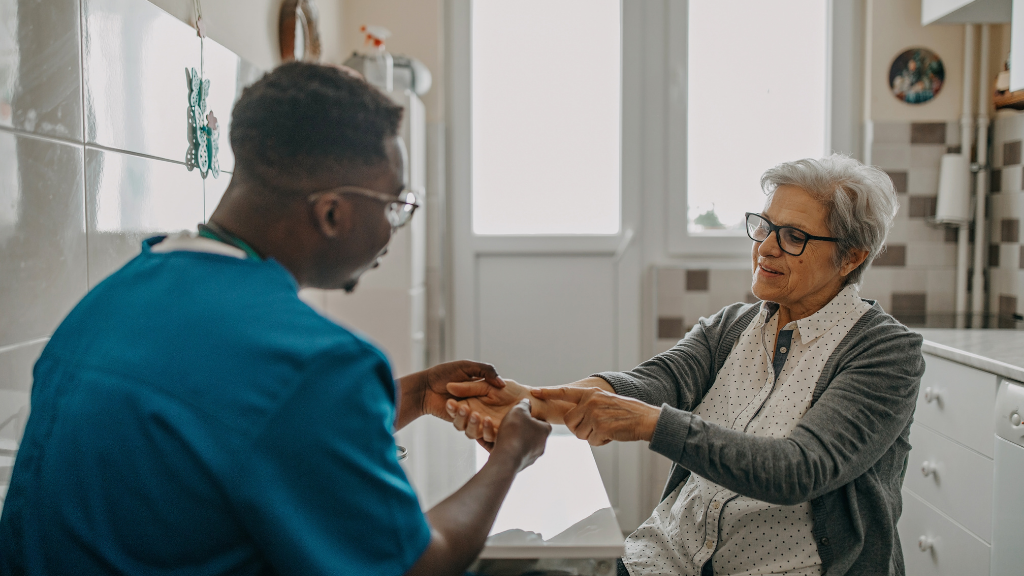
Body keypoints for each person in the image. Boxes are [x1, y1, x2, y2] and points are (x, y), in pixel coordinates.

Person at [0, 62, 550, 576]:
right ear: (333, 213)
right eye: (393, 206)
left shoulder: (116, 297)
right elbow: (417, 564)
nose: (392, 229)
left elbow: (245, 425)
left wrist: (423, 393)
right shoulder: (320, 362)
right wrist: (511, 454)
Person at [448, 155, 924, 576]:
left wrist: (653, 425)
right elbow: (655, 381)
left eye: (794, 236)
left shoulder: (884, 352)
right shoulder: (732, 327)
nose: (767, 247)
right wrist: (532, 401)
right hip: (665, 559)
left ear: (851, 257)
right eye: (764, 226)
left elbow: (799, 469)